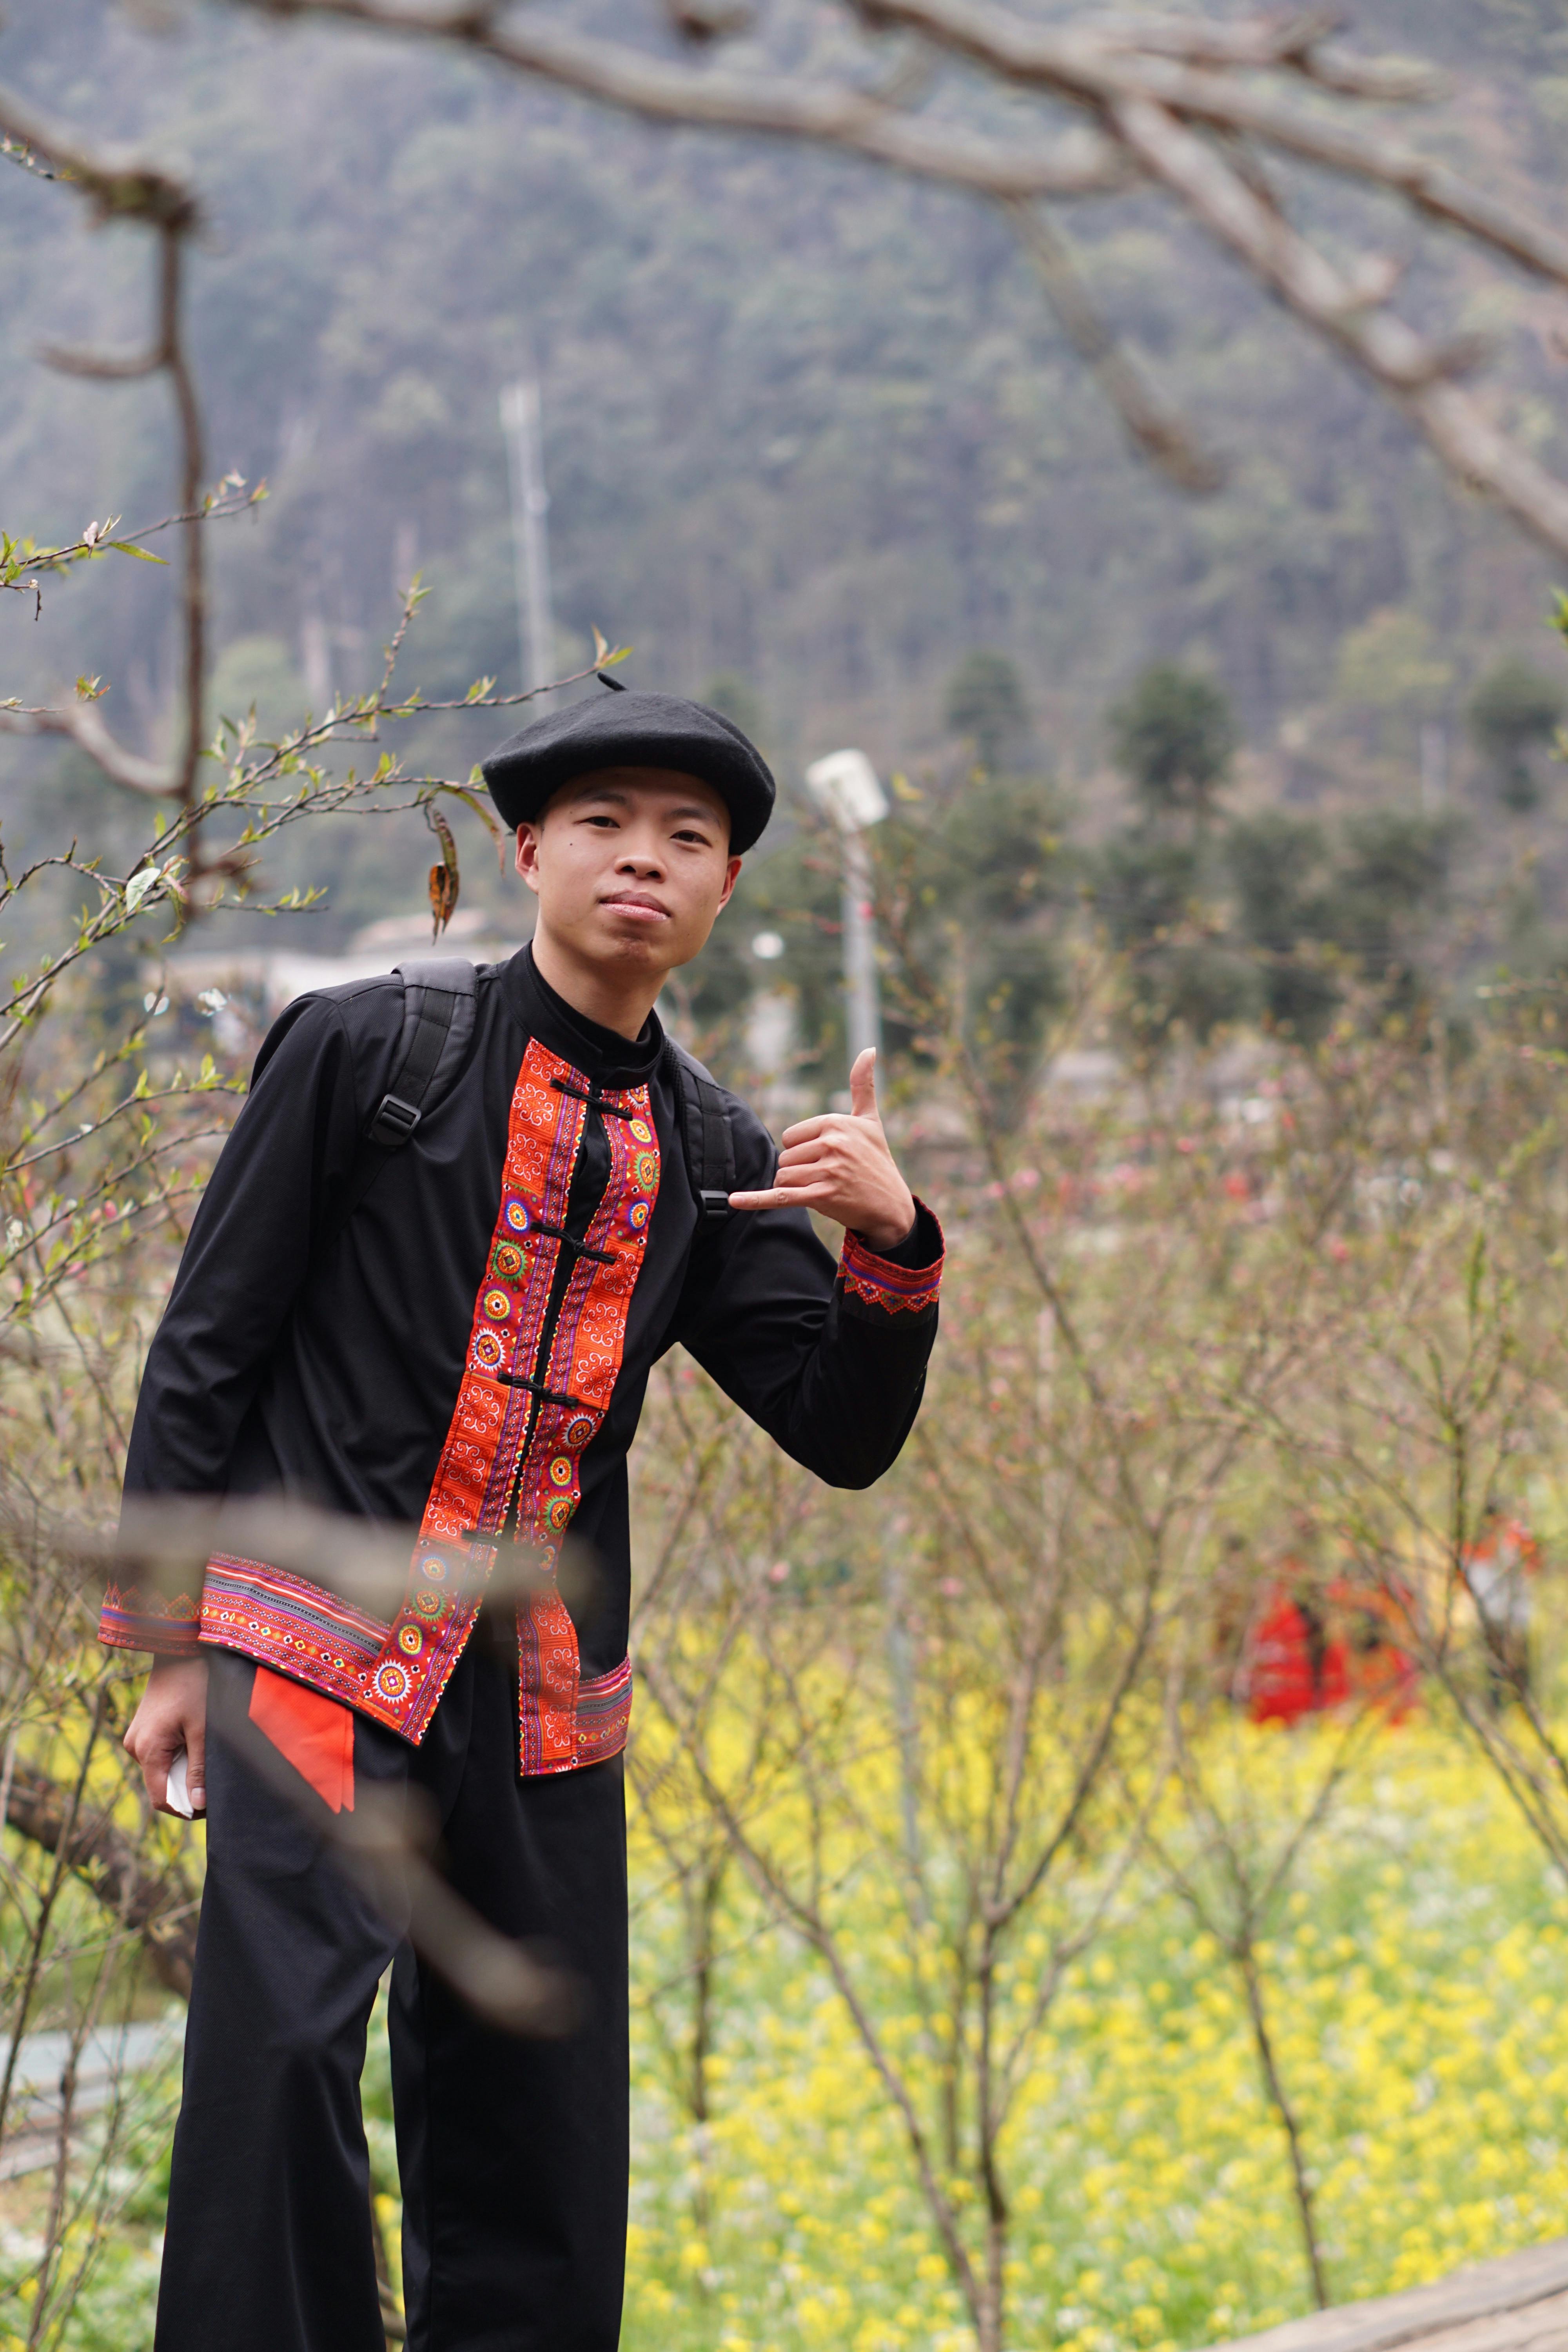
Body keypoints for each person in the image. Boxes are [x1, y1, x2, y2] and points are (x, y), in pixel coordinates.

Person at [102, 682, 944, 2352]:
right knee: (280, 2055)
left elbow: (841, 1433)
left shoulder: (712, 1148)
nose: (644, 859)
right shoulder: (367, 1050)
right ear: (528, 851)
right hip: (307, 1647)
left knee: (539, 2118)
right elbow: (209, 1343)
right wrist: (170, 1643)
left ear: (723, 889)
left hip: (544, 1703)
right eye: (605, 825)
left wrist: (893, 1242)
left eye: (687, 838)